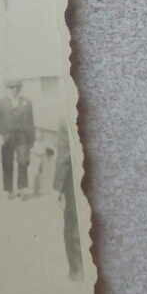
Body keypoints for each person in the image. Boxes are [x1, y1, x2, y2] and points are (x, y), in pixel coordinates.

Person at [0, 79, 35, 199]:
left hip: (22, 136)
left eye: (17, 87)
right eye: (11, 88)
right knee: (7, 163)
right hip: (7, 136)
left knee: (23, 162)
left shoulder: (26, 102)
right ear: (7, 89)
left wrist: (32, 140)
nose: (14, 90)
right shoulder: (1, 103)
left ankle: (22, 188)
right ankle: (8, 190)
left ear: (20, 88)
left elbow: (31, 121)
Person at [53, 119, 83, 281]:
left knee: (73, 223)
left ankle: (77, 270)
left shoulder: (67, 119)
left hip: (75, 178)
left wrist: (57, 187)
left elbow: (64, 156)